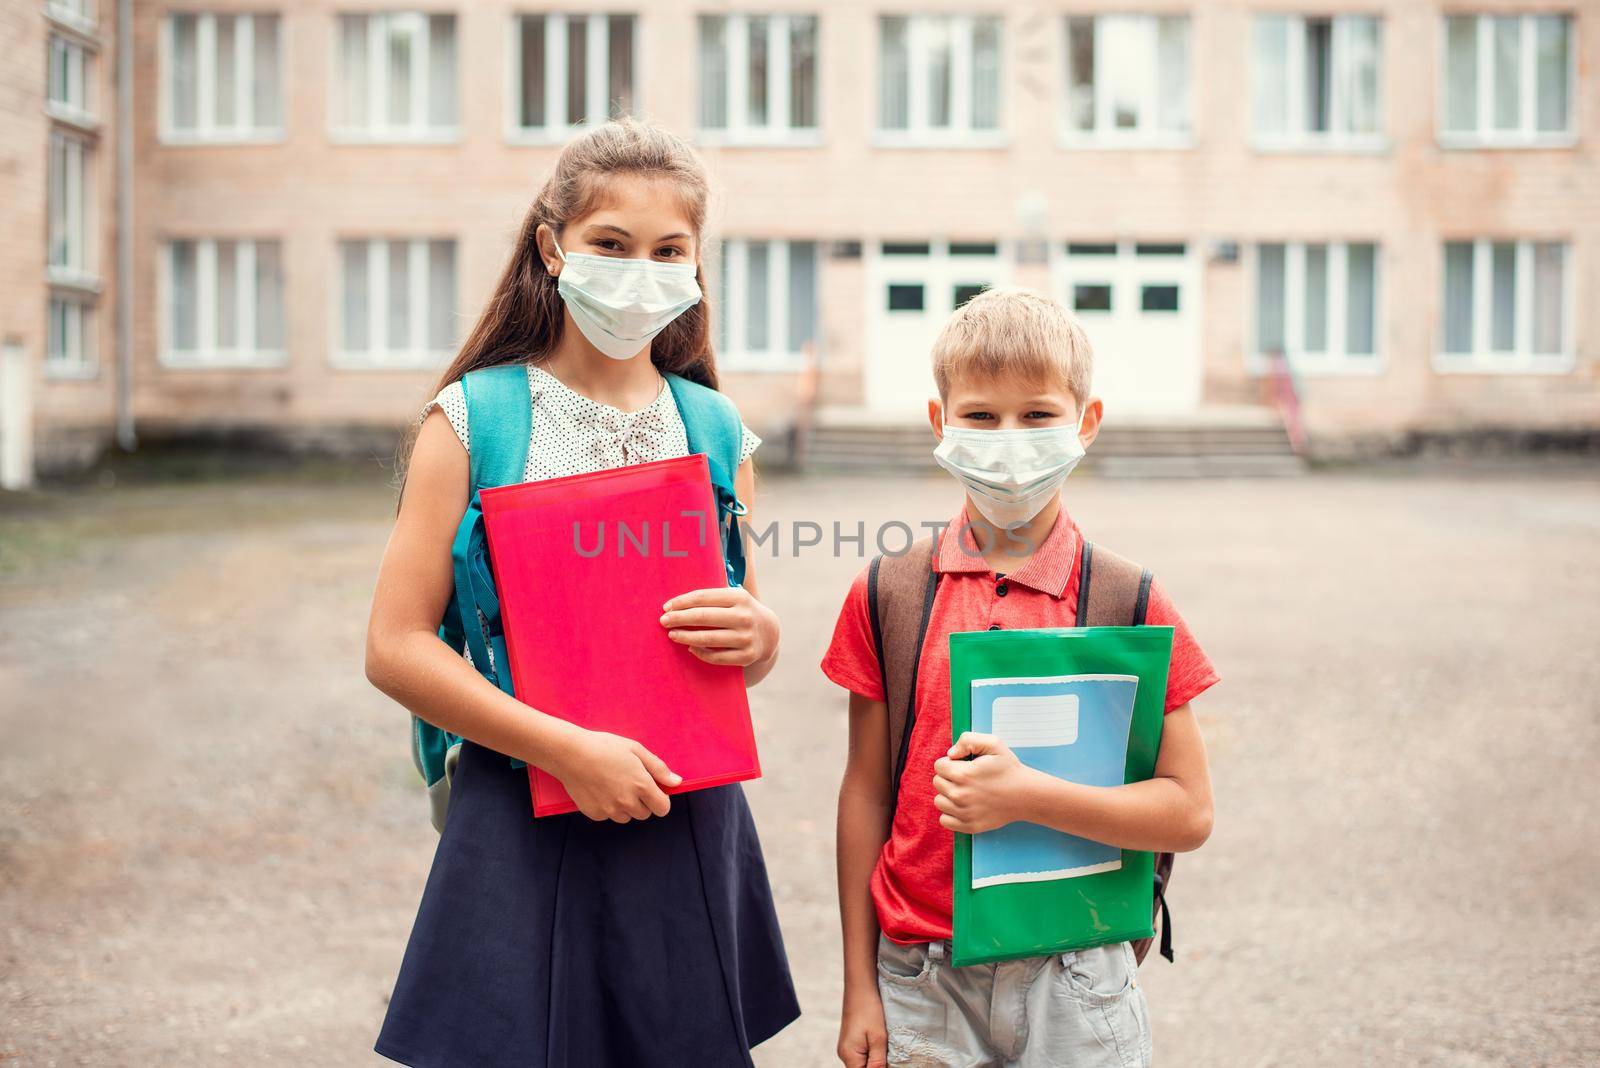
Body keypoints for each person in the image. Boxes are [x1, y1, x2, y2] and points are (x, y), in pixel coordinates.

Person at [364, 118, 799, 1068]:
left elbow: (747, 635)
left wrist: (759, 637)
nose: (639, 268)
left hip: (685, 812)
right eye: (611, 243)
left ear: (695, 265)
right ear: (554, 247)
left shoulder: (715, 427)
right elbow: (394, 647)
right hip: (522, 806)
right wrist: (566, 750)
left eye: (668, 250)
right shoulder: (473, 418)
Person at [826, 287, 1218, 1067]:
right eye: (980, 415)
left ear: (1086, 422)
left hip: (1078, 969)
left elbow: (1189, 812)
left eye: (1038, 414)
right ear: (941, 424)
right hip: (920, 975)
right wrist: (858, 988)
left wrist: (1026, 798)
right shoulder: (889, 593)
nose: (1009, 438)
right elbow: (866, 792)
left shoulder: (1128, 598)